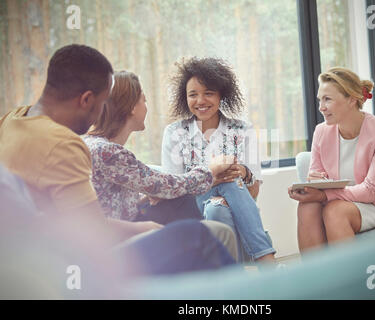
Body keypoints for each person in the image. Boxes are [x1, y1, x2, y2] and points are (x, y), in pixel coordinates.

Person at [0, 44, 236, 276]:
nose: (104, 111)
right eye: (103, 102)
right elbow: (92, 231)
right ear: (86, 100)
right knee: (202, 235)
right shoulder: (65, 145)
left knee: (184, 215)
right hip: (78, 265)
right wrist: (143, 228)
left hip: (33, 255)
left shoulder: (12, 119)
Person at [82, 70, 238, 260]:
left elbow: (111, 202)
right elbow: (167, 185)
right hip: (113, 246)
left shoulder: (94, 145)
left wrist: (150, 196)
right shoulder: (107, 152)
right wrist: (211, 170)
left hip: (118, 231)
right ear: (132, 107)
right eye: (144, 100)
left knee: (179, 201)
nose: (146, 107)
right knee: (208, 223)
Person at [162, 57, 276, 263]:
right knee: (228, 180)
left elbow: (254, 190)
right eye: (193, 95)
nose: (200, 101)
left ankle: (232, 282)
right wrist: (213, 180)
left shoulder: (243, 130)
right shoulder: (174, 133)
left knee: (217, 207)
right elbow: (175, 192)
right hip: (191, 210)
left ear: (221, 95)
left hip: (235, 208)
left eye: (208, 93)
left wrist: (243, 172)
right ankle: (266, 259)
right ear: (184, 98)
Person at [287, 67, 375, 252]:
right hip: (339, 201)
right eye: (320, 99)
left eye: (327, 99)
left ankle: (348, 278)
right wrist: (309, 188)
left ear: (352, 99)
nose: (321, 107)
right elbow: (316, 177)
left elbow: (372, 190)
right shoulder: (321, 131)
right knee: (307, 207)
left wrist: (324, 194)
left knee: (335, 210)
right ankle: (315, 278)